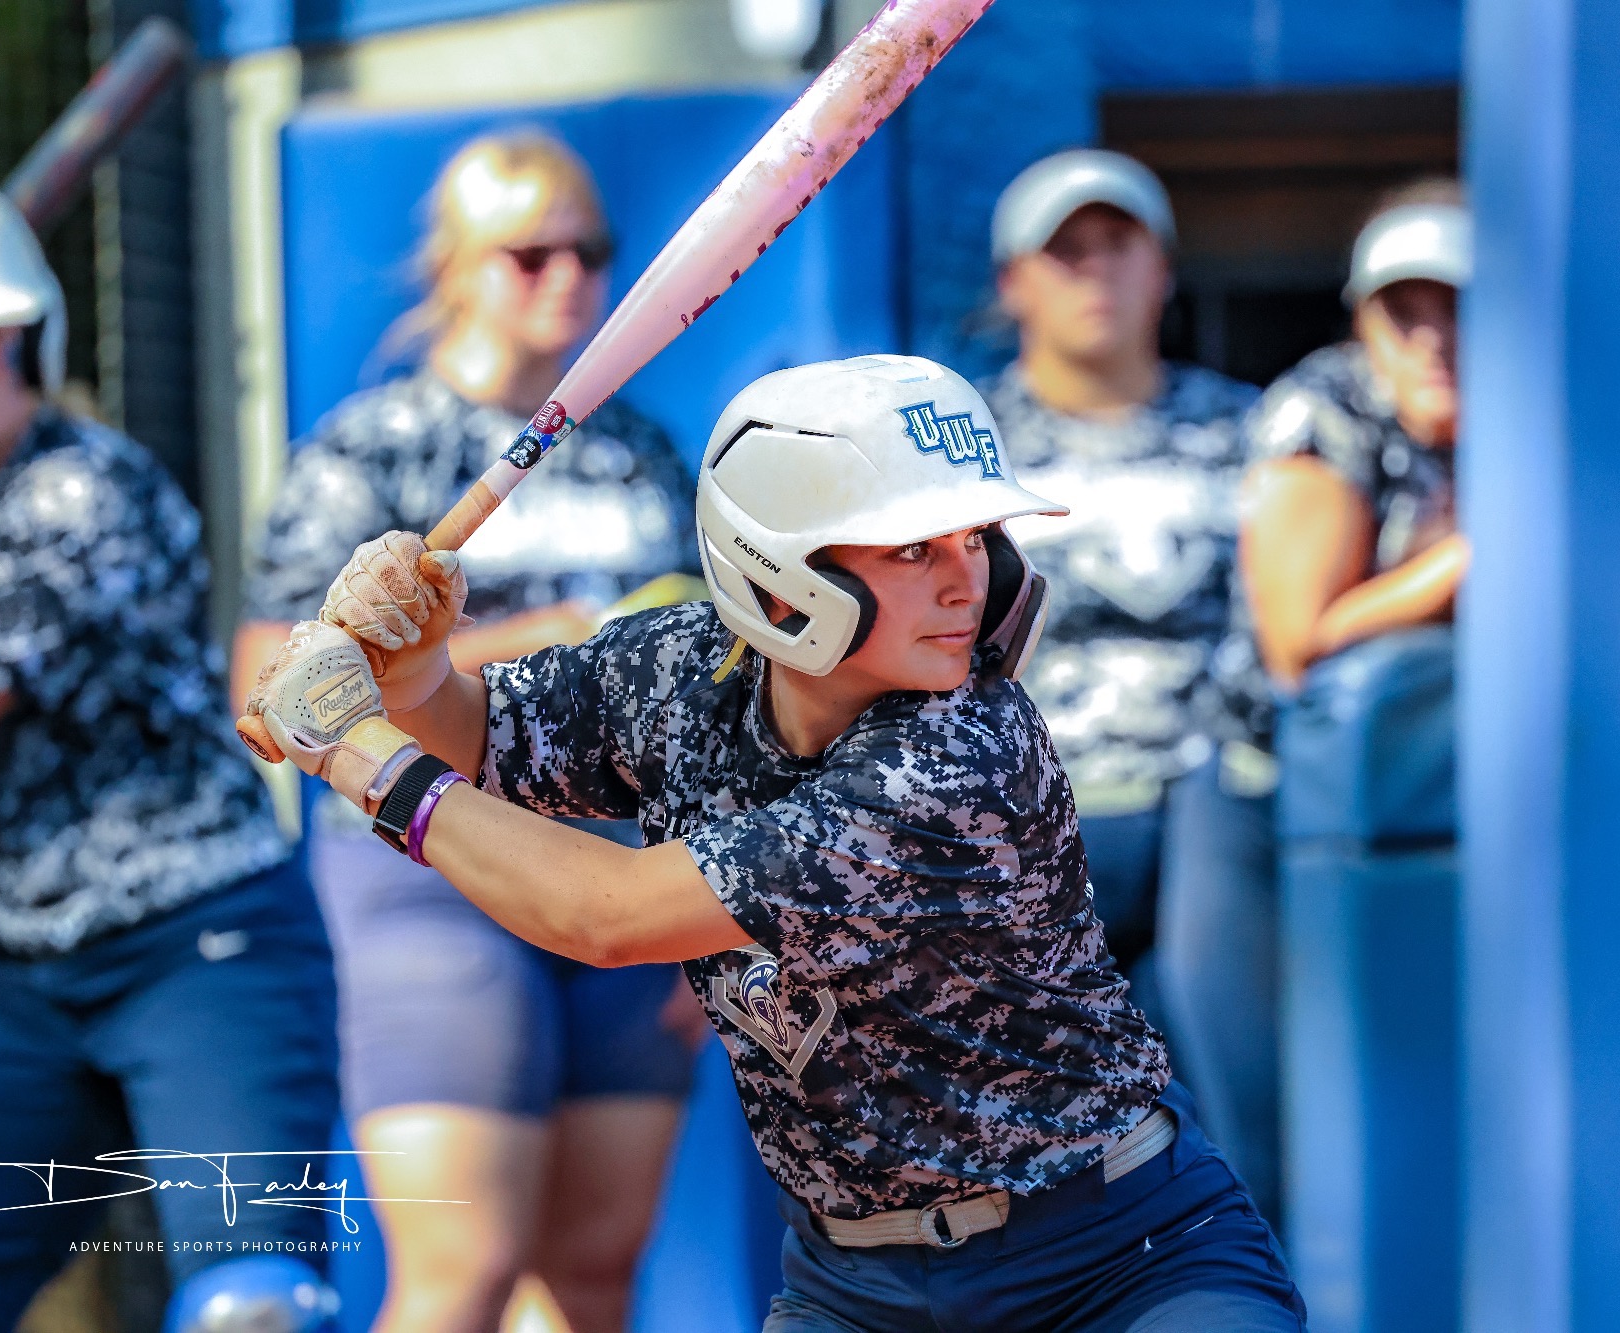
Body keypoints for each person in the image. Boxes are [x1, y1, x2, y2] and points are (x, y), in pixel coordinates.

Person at [239, 354, 1309, 1332]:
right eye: (909, 548)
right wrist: (417, 670)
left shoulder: (959, 752)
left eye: (973, 537)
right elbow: (479, 733)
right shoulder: (674, 670)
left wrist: (360, 755)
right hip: (858, 1291)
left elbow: (606, 917)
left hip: (1116, 1261)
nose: (963, 579)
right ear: (781, 570)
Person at [231, 131, 702, 1333]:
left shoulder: (642, 450)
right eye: (529, 252)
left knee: (592, 1268)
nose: (568, 279)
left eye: (589, 252)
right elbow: (269, 683)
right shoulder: (371, 448)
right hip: (428, 862)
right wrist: (545, 636)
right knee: (465, 1269)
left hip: (620, 869)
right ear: (455, 269)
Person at [0, 180, 338, 1331]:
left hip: (201, 948)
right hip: (29, 978)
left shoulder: (87, 489)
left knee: (253, 1312)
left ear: (31, 334)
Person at [980, 149, 1282, 1219]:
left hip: (1219, 802)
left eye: (1118, 245)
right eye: (1064, 251)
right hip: (1031, 817)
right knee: (1027, 1136)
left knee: (1237, 1099)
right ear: (1013, 280)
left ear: (1162, 269)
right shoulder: (961, 446)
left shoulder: (1254, 426)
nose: (1093, 273)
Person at [1238, 179, 1472, 690]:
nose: (1432, 340)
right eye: (1403, 314)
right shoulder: (1322, 411)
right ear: (1363, 323)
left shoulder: (1540, 414)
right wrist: (1470, 562)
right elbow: (1297, 654)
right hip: (1316, 756)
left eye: (1457, 306)